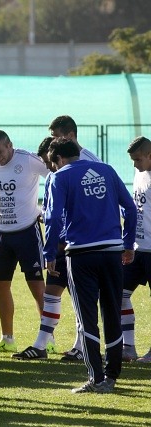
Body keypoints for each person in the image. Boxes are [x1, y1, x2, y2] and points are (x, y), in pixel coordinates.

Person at [43, 136, 136, 393]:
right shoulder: (106, 170)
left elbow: (52, 218)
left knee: (87, 318)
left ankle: (96, 378)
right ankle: (112, 376)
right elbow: (130, 207)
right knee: (112, 313)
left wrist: (49, 253)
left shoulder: (60, 177)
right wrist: (127, 243)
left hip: (81, 255)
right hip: (112, 252)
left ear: (59, 159)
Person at [13, 136, 100, 360]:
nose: (48, 166)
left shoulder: (86, 165)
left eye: (49, 161)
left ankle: (82, 346)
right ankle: (41, 345)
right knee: (52, 293)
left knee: (81, 298)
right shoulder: (55, 175)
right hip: (60, 245)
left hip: (77, 245)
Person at [0, 129, 48, 353]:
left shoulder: (29, 160)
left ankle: (47, 339)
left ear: (10, 145)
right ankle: (7, 338)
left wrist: (45, 209)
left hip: (27, 232)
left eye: (0, 151)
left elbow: (55, 177)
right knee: (0, 286)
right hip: (0, 234)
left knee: (37, 287)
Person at [121, 136, 151, 363]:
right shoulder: (139, 173)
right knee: (119, 293)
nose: (135, 164)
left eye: (138, 159)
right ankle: (128, 347)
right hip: (137, 249)